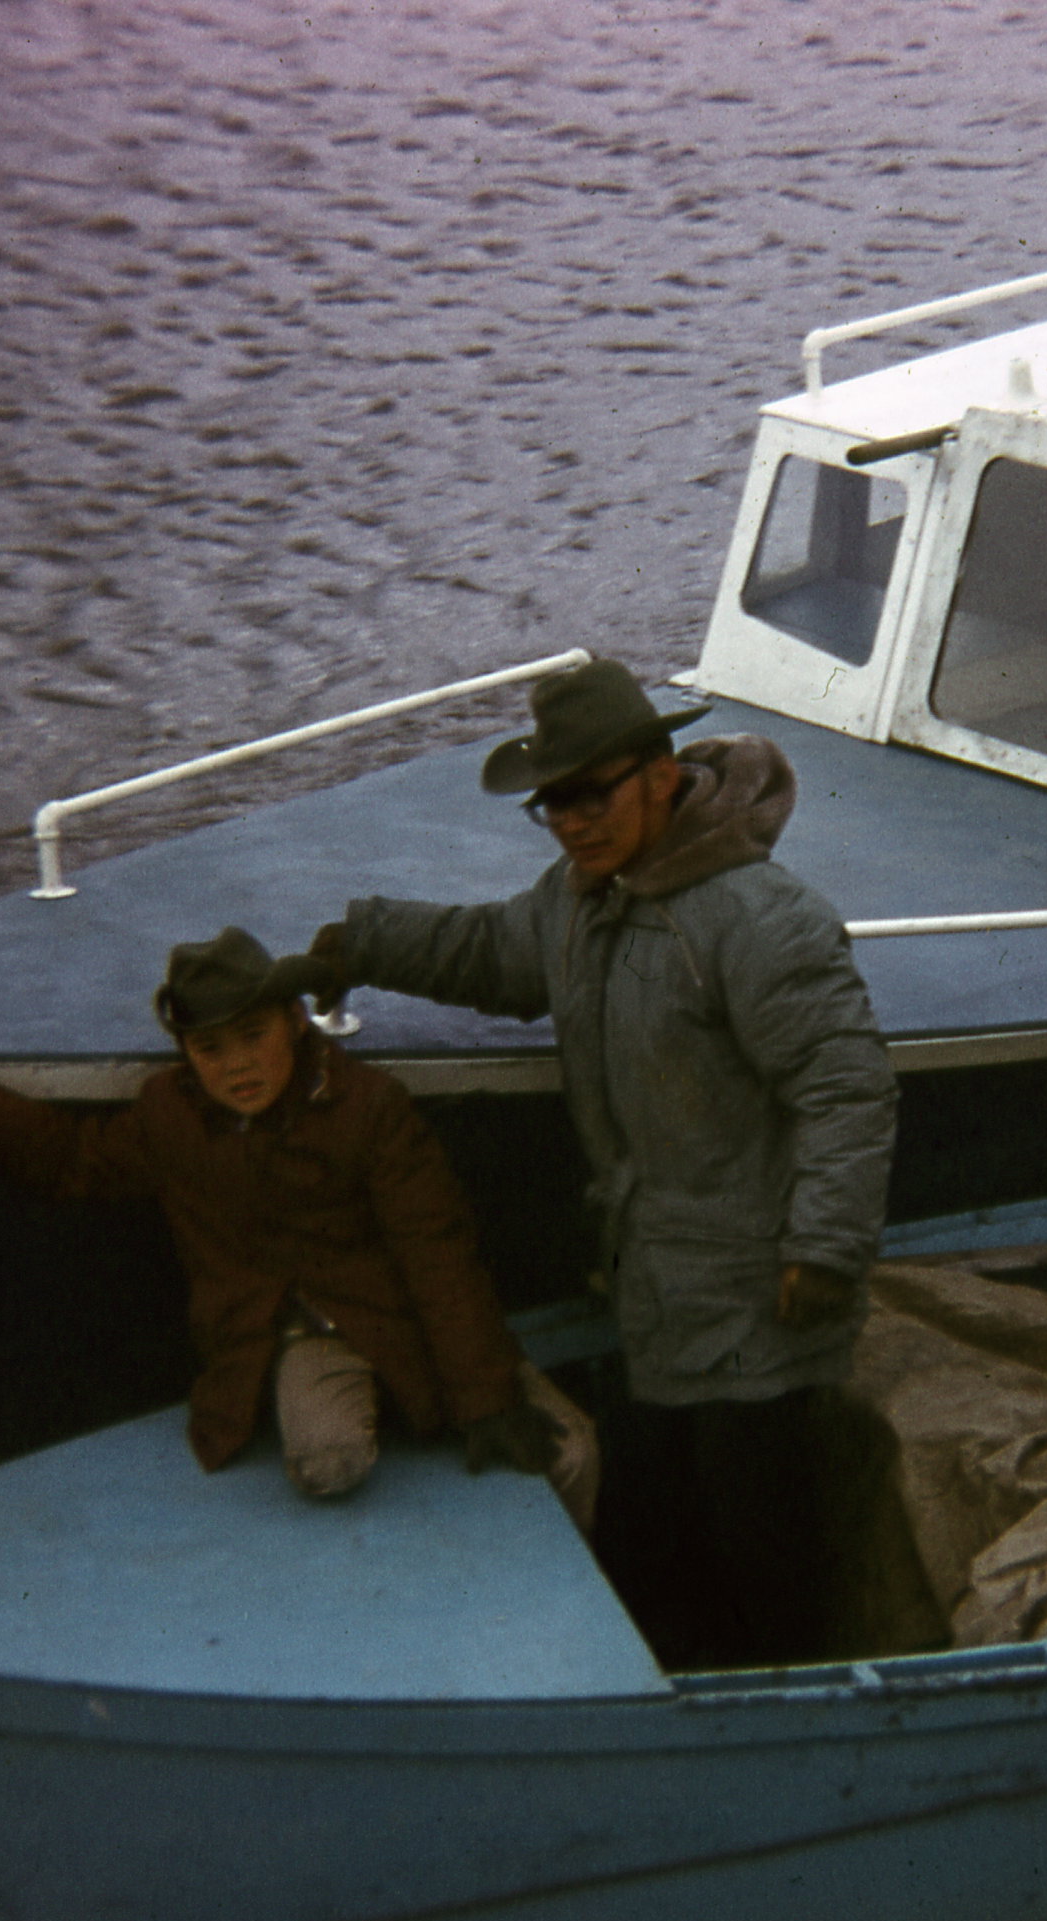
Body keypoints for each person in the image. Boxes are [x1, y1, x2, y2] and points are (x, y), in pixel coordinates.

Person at [307, 658, 898, 1667]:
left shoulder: (761, 919)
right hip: (654, 1302)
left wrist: (827, 1251)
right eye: (553, 804)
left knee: (767, 1560)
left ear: (661, 776)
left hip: (762, 1308)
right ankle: (698, 1717)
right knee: (656, 1553)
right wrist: (361, 941)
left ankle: (804, 1735)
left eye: (593, 793)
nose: (574, 821)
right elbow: (491, 952)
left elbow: (847, 1090)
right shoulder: (581, 900)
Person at [0, 927, 597, 1522]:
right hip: (291, 1332)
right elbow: (72, 1159)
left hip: (397, 1316)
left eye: (253, 1035)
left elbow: (437, 1255)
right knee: (328, 1465)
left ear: (295, 1020)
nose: (235, 1066)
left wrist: (485, 1396)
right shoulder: (169, 1119)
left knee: (571, 1448)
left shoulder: (370, 1108)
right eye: (209, 1049)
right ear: (185, 1053)